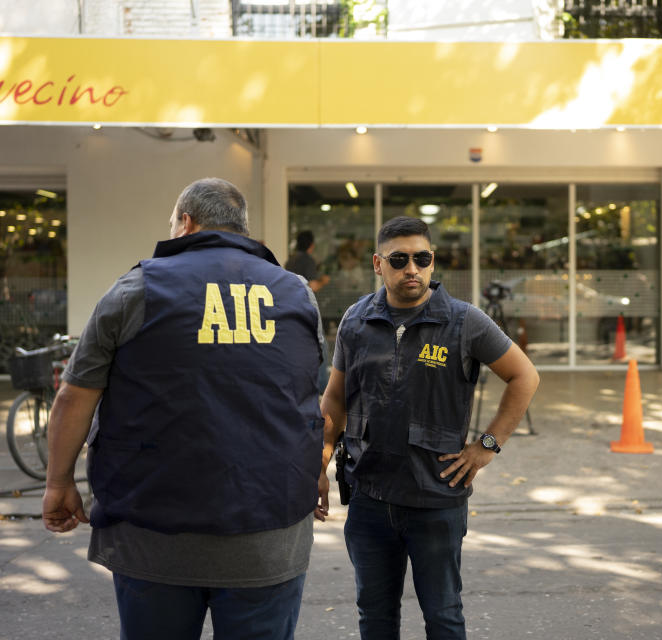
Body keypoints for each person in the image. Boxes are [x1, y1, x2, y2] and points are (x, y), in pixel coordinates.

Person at [41, 178, 326, 640]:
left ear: (186, 223)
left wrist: (58, 483)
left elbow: (74, 396)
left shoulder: (135, 288)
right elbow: (310, 396)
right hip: (269, 533)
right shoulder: (297, 294)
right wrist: (316, 469)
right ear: (241, 229)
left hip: (152, 536)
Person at [317, 216, 540, 640]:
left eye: (422, 258)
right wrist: (321, 460)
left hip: (435, 499)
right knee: (375, 616)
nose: (412, 269)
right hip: (369, 498)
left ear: (433, 262)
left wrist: (488, 445)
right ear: (378, 264)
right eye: (399, 259)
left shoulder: (464, 322)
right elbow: (335, 399)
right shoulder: (356, 321)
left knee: (443, 616)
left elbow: (525, 376)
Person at [285, 229, 331, 391]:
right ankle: (323, 391)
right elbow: (312, 286)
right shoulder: (307, 259)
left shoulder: (290, 260)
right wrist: (324, 280)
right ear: (311, 246)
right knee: (322, 348)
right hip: (307, 309)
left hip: (290, 308)